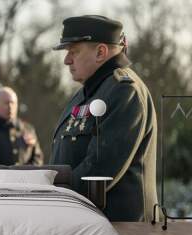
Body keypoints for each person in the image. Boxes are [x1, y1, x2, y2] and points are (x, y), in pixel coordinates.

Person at [49, 15, 158, 221]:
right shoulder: (88, 93)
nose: (66, 60)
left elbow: (97, 172)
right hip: (88, 226)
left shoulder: (124, 92)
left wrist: (51, 197)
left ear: (101, 52)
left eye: (74, 51)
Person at [0, 87, 43, 165]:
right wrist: (4, 174)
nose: (10, 107)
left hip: (26, 176)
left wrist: (27, 173)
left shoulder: (28, 129)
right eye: (6, 103)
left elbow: (37, 157)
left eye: (13, 103)